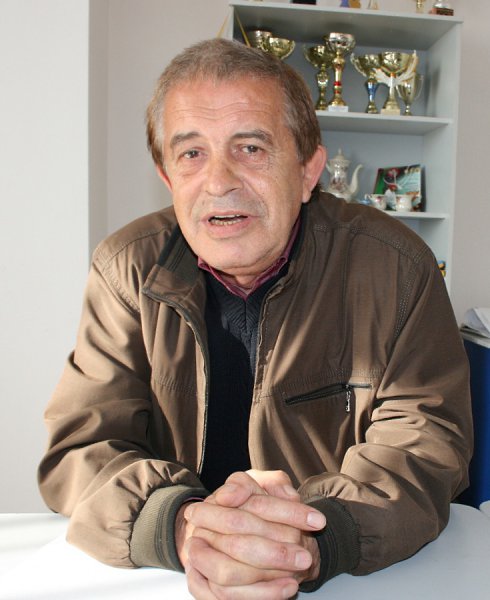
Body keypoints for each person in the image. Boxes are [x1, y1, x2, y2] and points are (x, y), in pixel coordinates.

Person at [38, 38, 472, 599]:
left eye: (250, 148)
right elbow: (82, 449)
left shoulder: (397, 268)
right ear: (168, 178)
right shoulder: (126, 268)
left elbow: (425, 446)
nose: (218, 181)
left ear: (309, 169)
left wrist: (312, 539)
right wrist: (182, 526)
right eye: (191, 154)